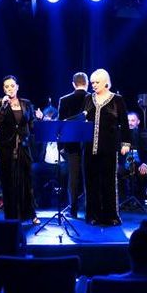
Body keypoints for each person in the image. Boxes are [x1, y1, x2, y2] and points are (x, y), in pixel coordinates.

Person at [83, 69, 130, 226]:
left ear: (105, 82)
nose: (94, 85)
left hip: (108, 147)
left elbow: (124, 123)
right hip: (89, 147)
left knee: (108, 181)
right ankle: (92, 215)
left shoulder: (117, 100)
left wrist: (125, 143)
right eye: (92, 83)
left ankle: (111, 216)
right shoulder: (88, 98)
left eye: (97, 82)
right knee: (91, 182)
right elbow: (82, 120)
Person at [0, 74, 40, 224]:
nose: (10, 89)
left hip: (23, 147)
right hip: (6, 148)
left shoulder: (26, 103)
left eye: (12, 86)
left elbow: (31, 125)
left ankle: (30, 214)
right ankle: (12, 217)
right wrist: (3, 106)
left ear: (17, 87)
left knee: (27, 181)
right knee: (9, 183)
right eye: (7, 87)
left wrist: (39, 118)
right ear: (3, 89)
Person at [58, 72, 89, 218]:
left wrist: (61, 147)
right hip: (90, 143)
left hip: (71, 145)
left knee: (73, 178)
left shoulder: (64, 100)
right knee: (90, 176)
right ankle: (90, 210)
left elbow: (61, 125)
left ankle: (73, 210)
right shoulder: (93, 98)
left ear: (73, 84)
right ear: (87, 83)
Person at [31, 105, 67, 209]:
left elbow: (55, 129)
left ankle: (64, 200)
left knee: (65, 171)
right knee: (33, 168)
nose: (48, 122)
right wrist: (39, 121)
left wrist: (44, 119)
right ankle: (41, 200)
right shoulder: (44, 131)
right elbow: (34, 131)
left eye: (50, 120)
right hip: (47, 164)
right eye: (46, 120)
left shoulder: (62, 128)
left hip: (62, 163)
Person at [118, 111, 147, 206]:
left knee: (142, 173)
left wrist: (145, 164)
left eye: (133, 120)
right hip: (124, 163)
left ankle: (139, 200)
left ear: (138, 122)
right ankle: (123, 200)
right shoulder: (121, 134)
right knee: (117, 172)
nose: (130, 123)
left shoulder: (143, 134)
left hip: (139, 163)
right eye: (128, 120)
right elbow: (116, 151)